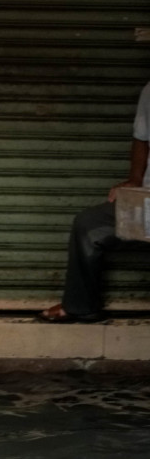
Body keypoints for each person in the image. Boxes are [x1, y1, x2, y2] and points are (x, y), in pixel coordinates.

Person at [40, 81, 150, 323]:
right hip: (148, 203)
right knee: (89, 225)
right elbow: (142, 138)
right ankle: (81, 305)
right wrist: (135, 179)